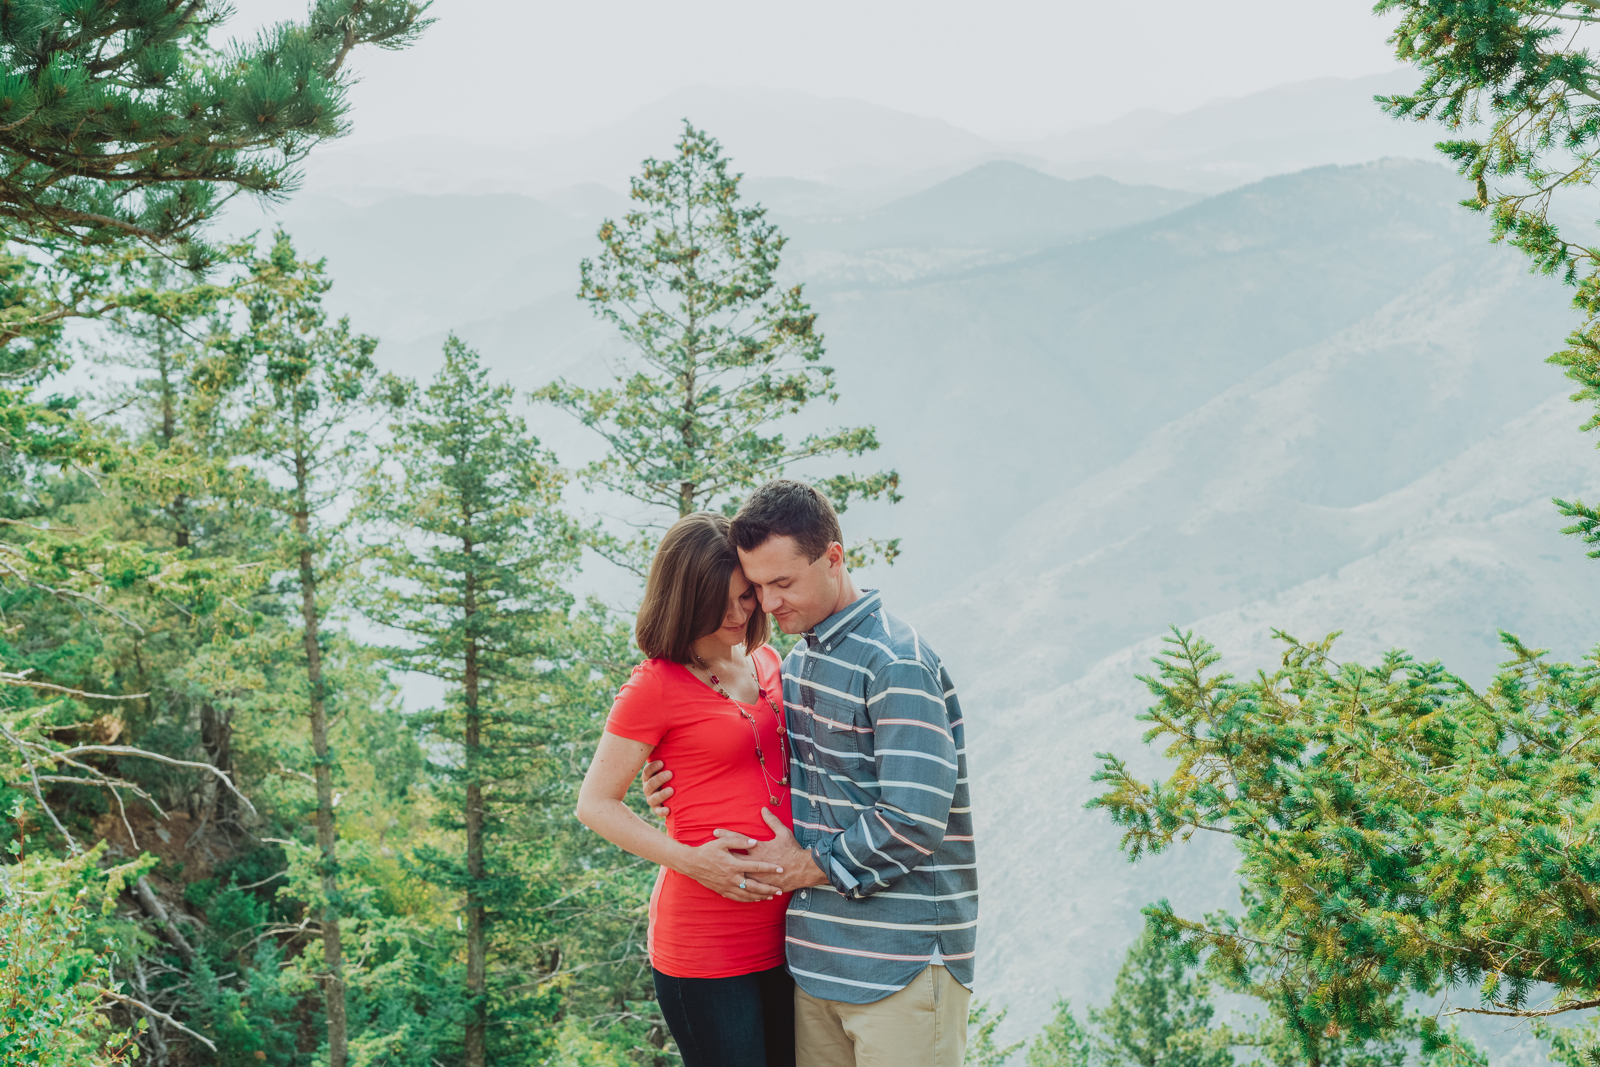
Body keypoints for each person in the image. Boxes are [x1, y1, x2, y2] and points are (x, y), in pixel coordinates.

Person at [644, 480, 977, 1067]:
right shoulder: (800, 663)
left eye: (783, 583)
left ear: (832, 557)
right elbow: (768, 766)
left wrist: (808, 865)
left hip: (901, 962)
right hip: (817, 964)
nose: (768, 605)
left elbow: (913, 820)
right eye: (758, 587)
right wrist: (674, 782)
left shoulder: (894, 662)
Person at [574, 512, 796, 1067]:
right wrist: (693, 861)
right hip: (707, 944)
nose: (734, 615)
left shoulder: (767, 660)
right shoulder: (655, 684)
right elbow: (594, 803)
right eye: (714, 602)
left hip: (790, 931)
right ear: (681, 599)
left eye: (745, 597)